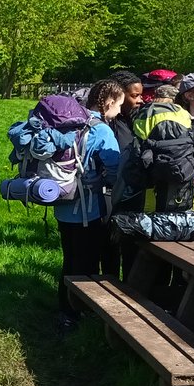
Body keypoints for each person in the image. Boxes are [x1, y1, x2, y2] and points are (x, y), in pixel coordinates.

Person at [52, 79, 124, 331]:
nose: (119, 112)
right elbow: (115, 167)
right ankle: (78, 312)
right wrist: (104, 180)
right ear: (108, 103)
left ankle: (66, 309)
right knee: (86, 262)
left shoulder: (68, 123)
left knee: (70, 257)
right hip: (88, 208)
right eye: (118, 106)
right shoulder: (101, 130)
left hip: (62, 202)